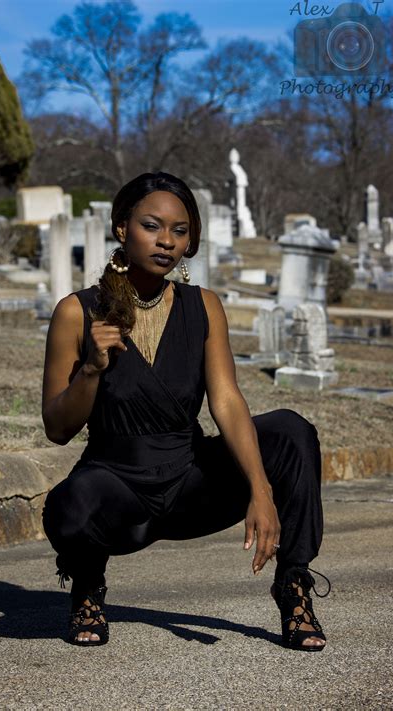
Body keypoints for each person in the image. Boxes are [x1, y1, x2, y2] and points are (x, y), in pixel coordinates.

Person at [41, 171, 329, 651]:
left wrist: (261, 489)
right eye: (152, 226)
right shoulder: (77, 311)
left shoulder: (205, 306)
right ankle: (87, 586)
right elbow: (57, 428)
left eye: (180, 231)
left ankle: (293, 586)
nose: (167, 241)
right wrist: (90, 369)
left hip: (190, 479)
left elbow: (227, 400)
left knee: (291, 432)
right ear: (121, 228)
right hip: (118, 485)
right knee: (69, 507)